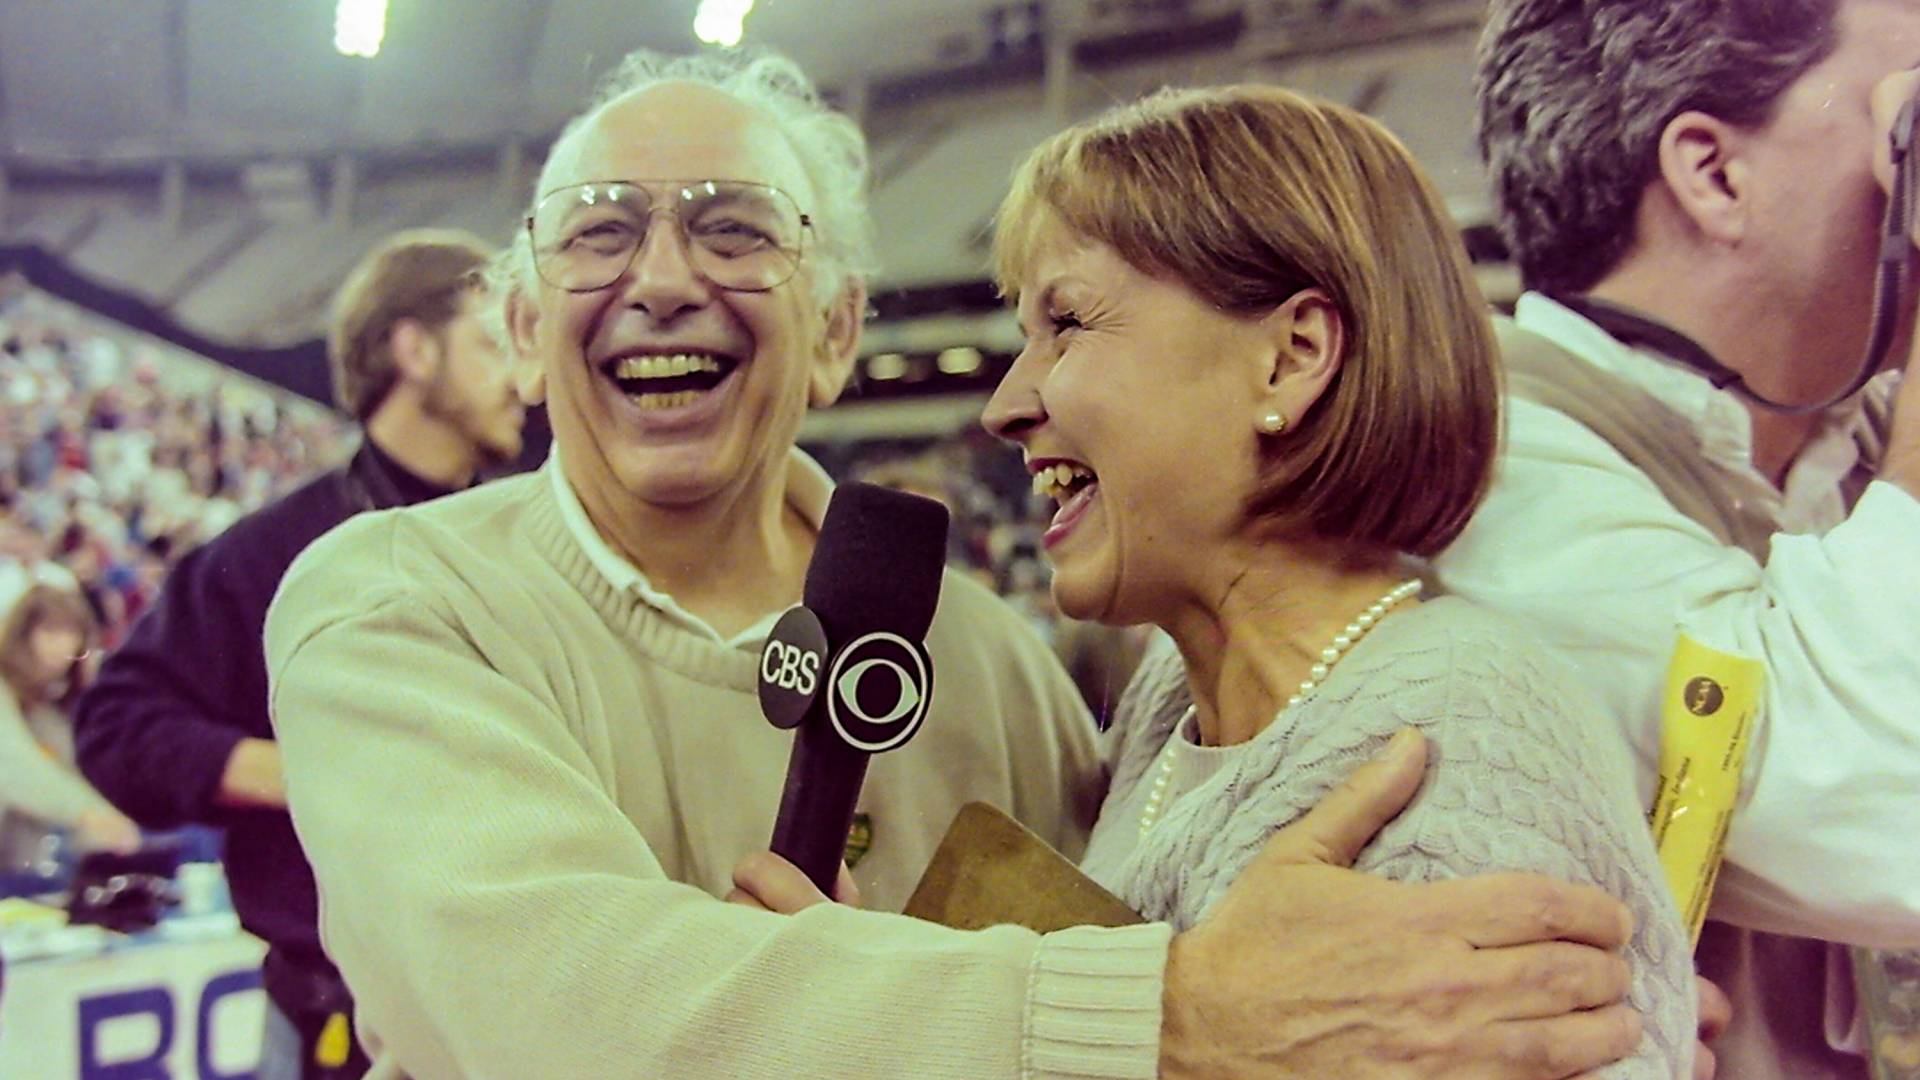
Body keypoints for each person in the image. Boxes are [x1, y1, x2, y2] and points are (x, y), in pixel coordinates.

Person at [263, 48, 1642, 1080]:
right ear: (519, 326)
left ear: (836, 327)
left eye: (736, 226)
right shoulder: (391, 604)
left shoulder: (986, 656)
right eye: (599, 230)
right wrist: (1170, 1011)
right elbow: (548, 1007)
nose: (666, 275)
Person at [969, 84, 1691, 1078]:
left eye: (1067, 322)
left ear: (1292, 358)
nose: (1008, 404)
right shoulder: (1172, 699)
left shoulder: (1458, 741)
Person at [1436, 1, 1920, 1075]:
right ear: (1713, 173)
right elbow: (1894, 810)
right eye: (1907, 120)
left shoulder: (1854, 440)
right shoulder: (1490, 479)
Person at [73, 229, 524, 1080]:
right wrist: (300, 769)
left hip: (499, 1020)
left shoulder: (522, 543)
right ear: (415, 350)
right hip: (333, 1026)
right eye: (491, 339)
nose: (519, 376)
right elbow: (113, 727)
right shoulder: (268, 552)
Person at [0, 560, 138, 881]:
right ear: (24, 634)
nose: (63, 645)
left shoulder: (49, 705)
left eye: (71, 633)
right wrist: (91, 815)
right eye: (50, 631)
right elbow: (17, 769)